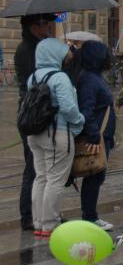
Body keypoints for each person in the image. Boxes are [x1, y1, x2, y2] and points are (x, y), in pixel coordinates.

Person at [26, 38, 84, 237]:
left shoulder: (33, 77)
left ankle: (38, 222)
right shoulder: (60, 78)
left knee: (41, 177)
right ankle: (50, 223)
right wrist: (79, 121)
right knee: (55, 179)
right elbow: (68, 108)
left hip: (35, 134)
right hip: (57, 133)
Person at [16, 14, 56, 230]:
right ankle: (28, 215)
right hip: (33, 112)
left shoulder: (34, 46)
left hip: (32, 110)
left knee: (38, 167)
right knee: (33, 168)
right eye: (45, 23)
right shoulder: (28, 49)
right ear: (34, 26)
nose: (49, 27)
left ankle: (39, 213)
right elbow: (36, 82)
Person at [73, 40, 118, 230]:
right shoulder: (90, 80)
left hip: (102, 135)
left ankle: (90, 215)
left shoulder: (94, 77)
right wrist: (94, 136)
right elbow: (87, 110)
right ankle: (90, 216)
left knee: (97, 176)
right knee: (94, 176)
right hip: (97, 137)